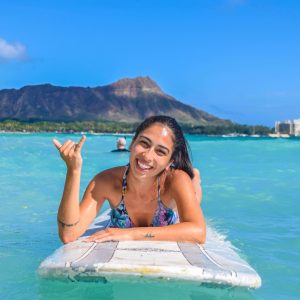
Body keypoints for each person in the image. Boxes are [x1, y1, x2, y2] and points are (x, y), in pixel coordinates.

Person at [52, 115, 205, 244]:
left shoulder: (175, 179)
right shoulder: (105, 181)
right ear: (132, 143)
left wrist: (130, 234)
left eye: (160, 151)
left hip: (173, 191)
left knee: (194, 197)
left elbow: (198, 232)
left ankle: (195, 177)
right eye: (144, 143)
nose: (147, 155)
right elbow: (68, 235)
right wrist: (73, 170)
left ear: (169, 163)